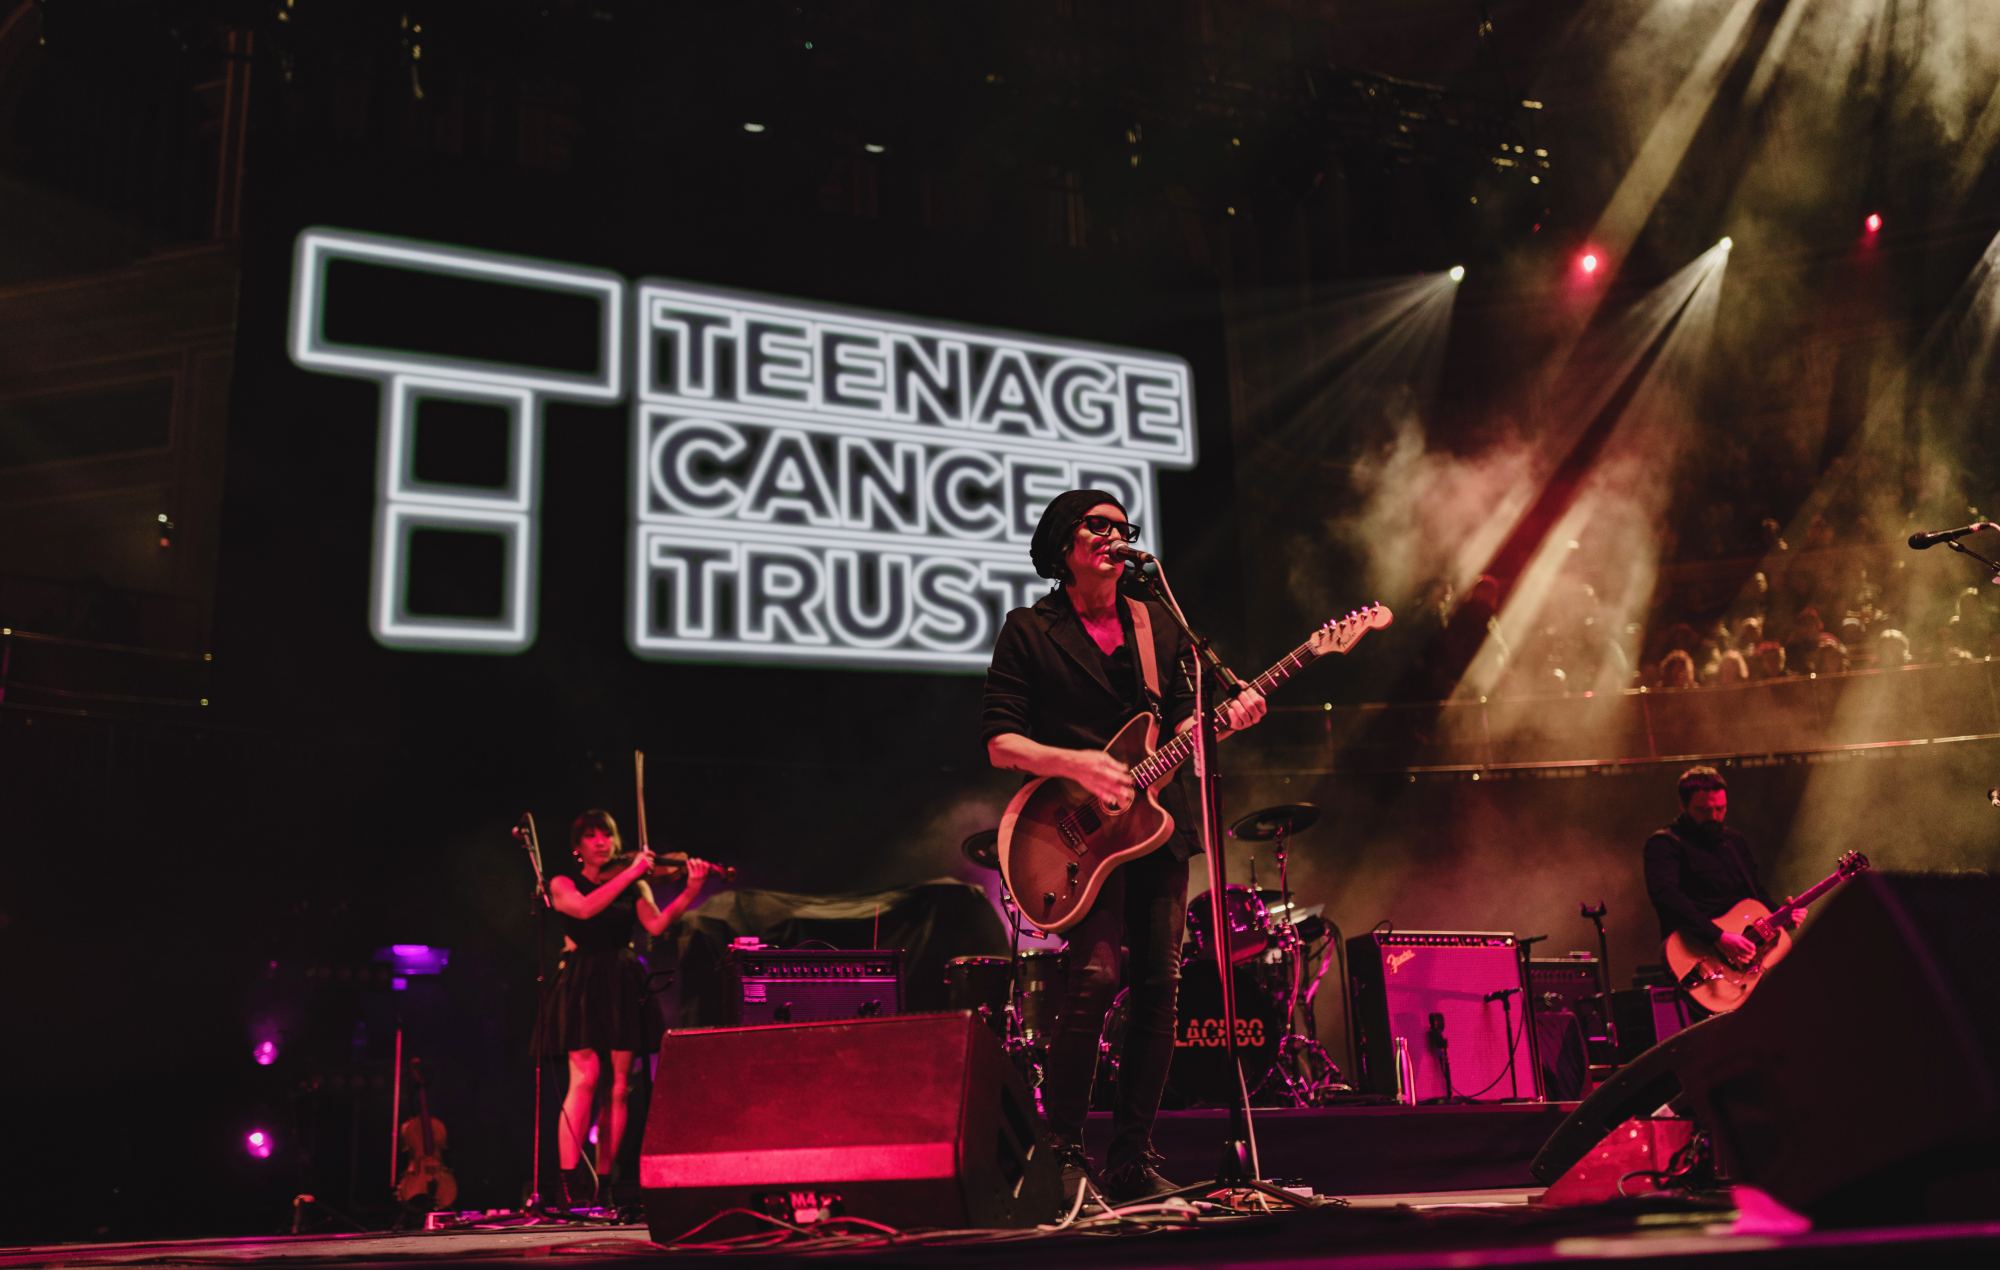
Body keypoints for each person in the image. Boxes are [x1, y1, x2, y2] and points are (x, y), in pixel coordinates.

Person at [982, 489, 1267, 1203]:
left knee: (1161, 992)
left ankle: (1132, 1159)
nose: (1115, 536)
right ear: (1064, 543)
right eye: (1097, 525)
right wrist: (1076, 764)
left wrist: (1222, 722)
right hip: (1076, 833)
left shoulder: (1157, 622)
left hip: (1155, 827)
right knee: (1094, 979)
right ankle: (1061, 1153)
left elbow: (1179, 727)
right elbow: (1000, 742)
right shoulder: (1030, 629)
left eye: (1122, 526)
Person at [535, 810, 716, 1206]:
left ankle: (606, 1181)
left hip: (622, 978)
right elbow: (585, 909)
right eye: (592, 836)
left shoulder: (635, 884)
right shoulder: (564, 882)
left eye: (607, 834)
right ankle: (569, 1181)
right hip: (583, 979)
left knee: (618, 1086)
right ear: (578, 847)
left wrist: (689, 891)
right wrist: (631, 873)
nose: (601, 842)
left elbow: (656, 926)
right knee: (584, 1077)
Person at [1642, 766, 1794, 992]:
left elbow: (1755, 893)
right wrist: (1718, 937)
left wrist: (1781, 914)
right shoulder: (1665, 844)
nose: (1713, 816)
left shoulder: (1733, 841)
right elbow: (1667, 897)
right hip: (1697, 955)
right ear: (1683, 806)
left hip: (1742, 960)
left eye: (1720, 809)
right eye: (1703, 810)